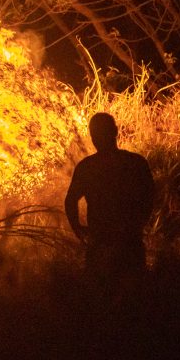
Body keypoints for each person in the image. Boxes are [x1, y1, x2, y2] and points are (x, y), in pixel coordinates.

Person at [65, 112, 155, 296]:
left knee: (101, 301)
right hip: (128, 243)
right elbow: (149, 197)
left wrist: (79, 230)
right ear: (115, 130)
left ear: (93, 137)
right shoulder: (135, 163)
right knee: (133, 300)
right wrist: (137, 224)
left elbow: (70, 200)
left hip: (102, 242)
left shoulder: (87, 167)